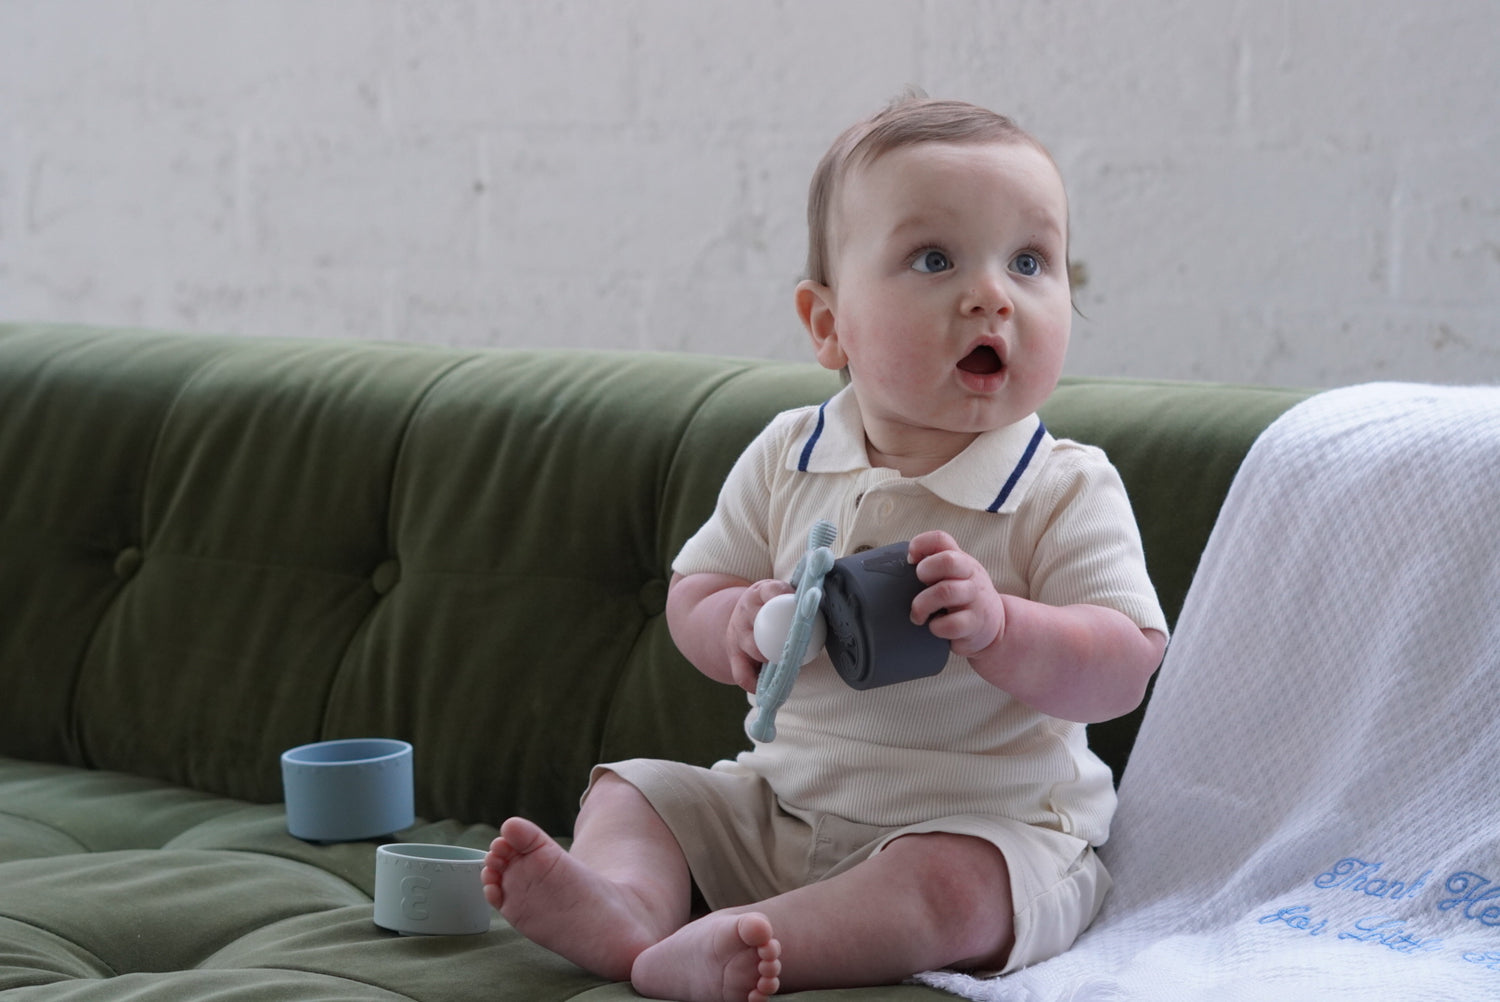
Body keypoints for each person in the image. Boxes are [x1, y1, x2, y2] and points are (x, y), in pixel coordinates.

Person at [483, 95, 1169, 1002]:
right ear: (827, 324)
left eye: (1031, 261)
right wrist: (735, 619)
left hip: (986, 824)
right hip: (783, 805)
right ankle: (630, 907)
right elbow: (697, 587)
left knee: (951, 892)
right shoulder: (788, 453)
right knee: (636, 791)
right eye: (934, 258)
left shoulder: (1060, 487)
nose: (991, 294)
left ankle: (751, 940)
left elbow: (1123, 667)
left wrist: (1004, 628)